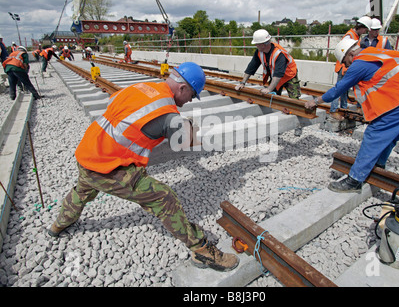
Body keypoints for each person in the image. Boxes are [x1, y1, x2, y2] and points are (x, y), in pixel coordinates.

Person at [47, 62, 239, 272]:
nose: (190, 100)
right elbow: (182, 143)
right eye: (192, 95)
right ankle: (202, 250)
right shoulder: (168, 114)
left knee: (82, 190)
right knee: (165, 198)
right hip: (109, 167)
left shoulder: (143, 87)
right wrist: (189, 128)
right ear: (183, 88)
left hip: (88, 152)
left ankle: (59, 224)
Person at [305, 39, 399, 193]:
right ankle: (378, 166)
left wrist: (315, 101)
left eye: (346, 63)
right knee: (392, 131)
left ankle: (355, 180)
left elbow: (337, 90)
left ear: (350, 55)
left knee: (376, 131)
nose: (347, 66)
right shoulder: (372, 52)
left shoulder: (359, 64)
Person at [235, 29, 301, 99]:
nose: (256, 46)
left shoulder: (279, 54)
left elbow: (278, 75)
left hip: (289, 76)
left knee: (294, 100)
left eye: (257, 44)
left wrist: (269, 89)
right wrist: (242, 83)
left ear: (263, 45)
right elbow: (251, 68)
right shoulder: (259, 52)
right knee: (271, 97)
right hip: (276, 76)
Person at [331, 16, 372, 121]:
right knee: (339, 89)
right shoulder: (350, 36)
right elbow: (343, 53)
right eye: (365, 29)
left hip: (348, 66)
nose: (365, 32)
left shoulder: (355, 36)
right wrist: (346, 68)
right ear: (361, 27)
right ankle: (334, 111)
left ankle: (343, 110)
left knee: (344, 90)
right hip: (344, 66)